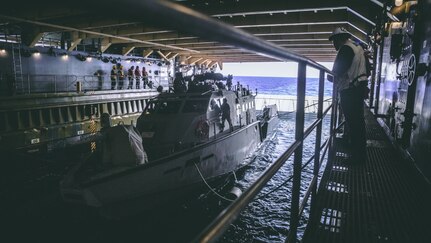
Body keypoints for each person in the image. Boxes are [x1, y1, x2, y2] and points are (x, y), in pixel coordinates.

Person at [328, 27, 368, 164]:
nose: (333, 45)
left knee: (353, 123)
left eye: (333, 41)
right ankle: (358, 150)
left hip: (350, 89)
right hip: (358, 87)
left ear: (339, 39)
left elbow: (338, 70)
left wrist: (330, 77)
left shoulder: (345, 49)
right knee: (357, 122)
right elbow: (366, 68)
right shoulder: (357, 47)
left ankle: (357, 157)